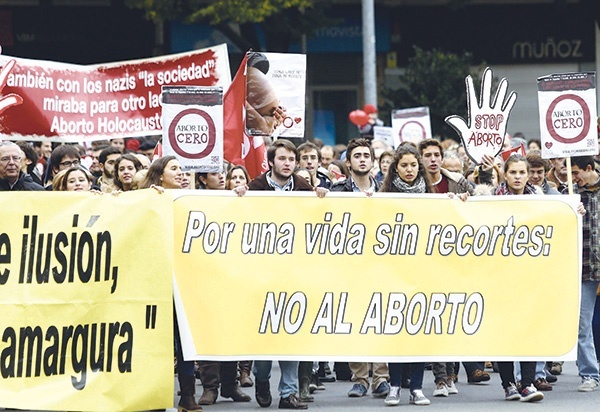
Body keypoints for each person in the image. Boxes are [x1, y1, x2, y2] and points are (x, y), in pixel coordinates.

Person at [243, 139, 328, 410]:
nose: (288, 164)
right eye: (282, 159)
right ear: (271, 162)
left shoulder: (304, 188)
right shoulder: (255, 188)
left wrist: (323, 198)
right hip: (262, 274)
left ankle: (289, 393)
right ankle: (262, 378)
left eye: (292, 160)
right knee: (265, 335)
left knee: (290, 332)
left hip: (294, 273)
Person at [330, 138, 390, 399]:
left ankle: (381, 377)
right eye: (357, 156)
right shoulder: (336, 191)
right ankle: (360, 379)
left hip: (380, 266)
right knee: (354, 320)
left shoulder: (386, 190)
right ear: (348, 162)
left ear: (373, 161)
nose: (363, 159)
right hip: (349, 268)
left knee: (380, 320)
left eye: (367, 155)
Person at [379, 144, 431, 406]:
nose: (409, 170)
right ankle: (395, 385)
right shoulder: (384, 195)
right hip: (393, 272)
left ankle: (418, 388)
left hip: (421, 272)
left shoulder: (430, 195)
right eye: (404, 165)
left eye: (413, 165)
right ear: (395, 168)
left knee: (417, 330)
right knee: (396, 331)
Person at [492, 154, 544, 402]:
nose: (518, 177)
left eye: (522, 172)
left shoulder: (542, 201)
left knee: (529, 328)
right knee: (504, 330)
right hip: (500, 275)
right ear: (505, 174)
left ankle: (528, 382)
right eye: (513, 172)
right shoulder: (491, 200)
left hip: (530, 275)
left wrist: (574, 210)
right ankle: (508, 383)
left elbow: (560, 219)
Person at [568, 156, 600, 392]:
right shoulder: (570, 195)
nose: (574, 178)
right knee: (583, 324)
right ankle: (590, 374)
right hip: (585, 269)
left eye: (577, 173)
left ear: (589, 169)